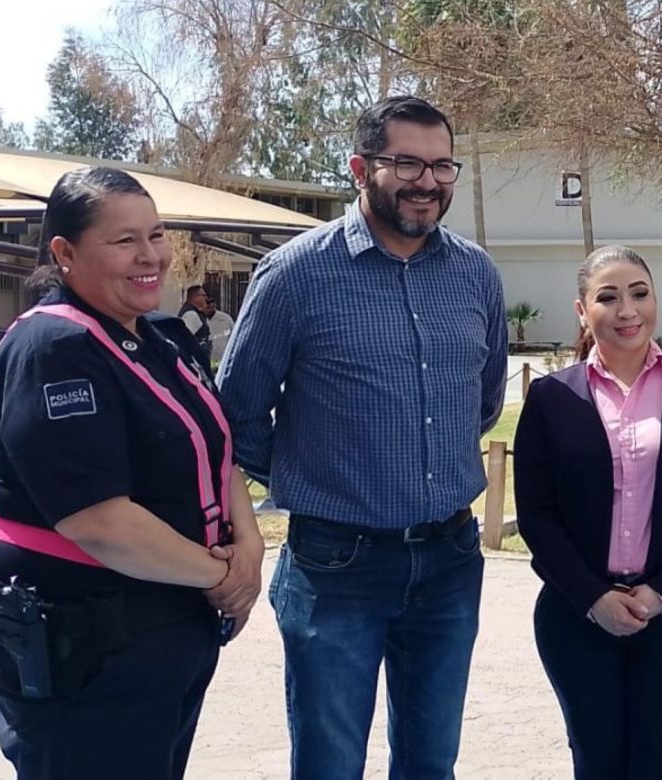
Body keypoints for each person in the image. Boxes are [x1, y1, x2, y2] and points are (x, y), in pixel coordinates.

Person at [217, 95, 507, 779]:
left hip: (449, 561)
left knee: (431, 763)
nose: (428, 182)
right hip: (334, 568)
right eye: (406, 162)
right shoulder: (294, 275)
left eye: (443, 165)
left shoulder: (476, 274)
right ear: (359, 167)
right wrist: (313, 474)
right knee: (329, 765)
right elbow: (236, 415)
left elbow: (485, 398)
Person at [0, 167, 262, 779]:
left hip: (167, 626)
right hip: (85, 648)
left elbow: (217, 450)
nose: (149, 256)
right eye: (123, 240)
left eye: (156, 235)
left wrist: (252, 547)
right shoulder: (52, 351)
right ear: (64, 252)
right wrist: (221, 575)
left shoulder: (158, 337)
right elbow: (100, 520)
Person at [513, 245, 662, 780]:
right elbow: (537, 516)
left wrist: (660, 593)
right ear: (582, 311)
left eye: (639, 293)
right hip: (577, 615)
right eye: (608, 298)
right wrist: (594, 598)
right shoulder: (551, 398)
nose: (627, 310)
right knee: (598, 762)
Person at [178, 284, 212, 362]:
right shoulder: (191, 315)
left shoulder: (197, 314)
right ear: (195, 297)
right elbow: (183, 339)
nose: (206, 298)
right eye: (203, 295)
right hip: (194, 362)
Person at [204, 296, 235, 364]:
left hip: (222, 362)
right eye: (207, 302)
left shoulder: (226, 318)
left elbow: (234, 338)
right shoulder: (198, 318)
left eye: (212, 302)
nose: (210, 305)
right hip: (205, 362)